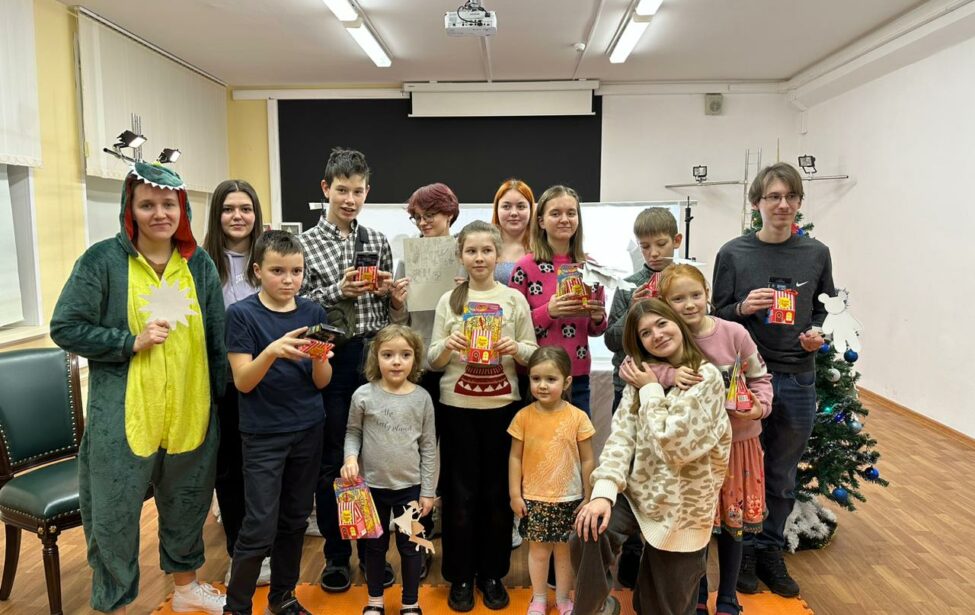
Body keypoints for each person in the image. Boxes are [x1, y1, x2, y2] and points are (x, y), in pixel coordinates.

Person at [50, 162, 227, 614]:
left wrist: (224, 401)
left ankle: (186, 590)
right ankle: (114, 603)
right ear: (130, 208)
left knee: (188, 504)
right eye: (147, 205)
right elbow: (65, 327)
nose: (159, 214)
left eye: (168, 204)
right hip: (124, 416)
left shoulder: (199, 264)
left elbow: (216, 338)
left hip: (190, 409)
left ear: (182, 209)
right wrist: (129, 341)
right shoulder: (102, 261)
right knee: (113, 515)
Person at [712, 162, 835, 598]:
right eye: (774, 197)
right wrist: (743, 308)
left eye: (791, 197)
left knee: (782, 473)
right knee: (744, 470)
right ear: (756, 204)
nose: (783, 205)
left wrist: (816, 333)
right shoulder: (733, 253)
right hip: (746, 379)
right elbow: (716, 314)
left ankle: (770, 550)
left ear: (799, 202)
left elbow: (824, 308)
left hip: (798, 377)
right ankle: (743, 552)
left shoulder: (816, 253)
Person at [572, 298, 731, 615]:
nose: (656, 335)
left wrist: (651, 389)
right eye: (645, 333)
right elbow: (621, 438)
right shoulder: (641, 376)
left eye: (661, 323)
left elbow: (673, 447)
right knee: (588, 529)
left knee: (662, 606)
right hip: (639, 494)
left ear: (677, 323)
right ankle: (595, 610)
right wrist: (602, 493)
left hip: (683, 509)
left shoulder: (707, 378)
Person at [299, 147, 406, 593]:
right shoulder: (304, 244)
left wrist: (395, 299)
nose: (350, 199)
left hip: (376, 357)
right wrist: (337, 291)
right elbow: (297, 305)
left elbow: (390, 313)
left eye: (358, 191)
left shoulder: (377, 241)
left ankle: (374, 554)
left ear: (367, 191)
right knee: (334, 462)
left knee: (377, 461)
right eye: (342, 190)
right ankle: (337, 556)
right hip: (333, 359)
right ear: (326, 189)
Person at [428, 220, 538, 612]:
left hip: (503, 408)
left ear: (497, 254)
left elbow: (533, 352)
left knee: (496, 495)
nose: (479, 258)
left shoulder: (513, 299)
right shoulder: (450, 300)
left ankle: (492, 574)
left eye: (486, 250)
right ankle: (460, 576)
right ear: (461, 255)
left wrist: (514, 347)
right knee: (459, 495)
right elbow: (433, 360)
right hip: (457, 408)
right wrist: (448, 343)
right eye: (471, 251)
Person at [223, 231, 333, 615]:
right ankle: (236, 607)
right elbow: (243, 381)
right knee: (259, 525)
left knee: (295, 519)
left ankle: (283, 598)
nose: (288, 280)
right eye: (278, 271)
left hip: (309, 427)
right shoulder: (241, 315)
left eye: (296, 271)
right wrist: (271, 351)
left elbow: (322, 381)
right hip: (263, 434)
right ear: (257, 270)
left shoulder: (314, 313)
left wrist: (320, 359)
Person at [656, 264, 773, 615]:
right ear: (665, 303)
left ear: (707, 294)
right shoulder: (667, 337)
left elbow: (760, 378)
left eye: (695, 295)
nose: (689, 304)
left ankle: (728, 596)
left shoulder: (734, 333)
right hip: (694, 450)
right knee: (698, 523)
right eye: (678, 299)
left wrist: (760, 407)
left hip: (738, 444)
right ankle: (698, 595)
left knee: (733, 524)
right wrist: (671, 374)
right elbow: (636, 366)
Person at [603, 207, 683, 588]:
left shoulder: (686, 281)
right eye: (645, 246)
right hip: (631, 391)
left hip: (677, 391)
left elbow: (698, 329)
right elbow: (611, 339)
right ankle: (633, 550)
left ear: (677, 241)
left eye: (661, 244)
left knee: (668, 470)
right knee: (634, 470)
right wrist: (632, 310)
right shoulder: (628, 284)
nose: (653, 253)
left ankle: (663, 549)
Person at [202, 179, 271, 586]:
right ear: (217, 214)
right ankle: (240, 554)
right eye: (229, 209)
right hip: (223, 384)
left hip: (267, 379)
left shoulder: (270, 258)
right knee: (230, 472)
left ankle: (269, 550)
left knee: (265, 469)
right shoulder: (201, 264)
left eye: (245, 208)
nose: (238, 216)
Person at [341, 324, 437, 615]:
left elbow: (429, 447)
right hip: (371, 488)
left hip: (410, 490)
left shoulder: (422, 398)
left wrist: (428, 491)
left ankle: (410, 603)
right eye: (388, 355)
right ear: (376, 357)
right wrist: (350, 458)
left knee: (411, 547)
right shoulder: (363, 395)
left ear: (415, 358)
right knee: (374, 548)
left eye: (405, 355)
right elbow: (353, 432)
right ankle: (375, 602)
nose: (397, 362)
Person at [393, 182, 461, 573]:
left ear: (450, 213)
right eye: (417, 218)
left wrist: (466, 295)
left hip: (457, 366)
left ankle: (453, 531)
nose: (423, 223)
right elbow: (400, 321)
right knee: (415, 454)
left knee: (452, 452)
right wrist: (397, 302)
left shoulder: (464, 253)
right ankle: (415, 537)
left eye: (430, 215)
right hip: (419, 366)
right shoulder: (408, 259)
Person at [509, 347, 595, 615]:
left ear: (567, 382)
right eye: (536, 379)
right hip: (534, 498)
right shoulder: (523, 417)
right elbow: (515, 458)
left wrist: (589, 496)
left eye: (551, 379)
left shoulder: (578, 417)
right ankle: (538, 598)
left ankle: (563, 599)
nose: (543, 385)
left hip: (570, 498)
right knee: (538, 552)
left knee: (564, 553)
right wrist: (515, 495)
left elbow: (588, 460)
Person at [509, 185, 607, 416]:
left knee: (576, 436)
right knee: (534, 437)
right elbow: (512, 326)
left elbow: (597, 329)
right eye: (555, 213)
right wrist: (548, 311)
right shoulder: (524, 267)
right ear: (541, 221)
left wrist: (597, 317)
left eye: (571, 213)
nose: (564, 219)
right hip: (535, 375)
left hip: (576, 374)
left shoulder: (591, 267)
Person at [490, 179, 534, 284]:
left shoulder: (544, 246)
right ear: (496, 210)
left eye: (521, 206)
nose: (514, 213)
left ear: (531, 209)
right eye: (506, 206)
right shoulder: (483, 245)